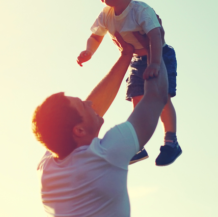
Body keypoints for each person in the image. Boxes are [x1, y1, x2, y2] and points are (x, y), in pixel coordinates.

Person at [32, 32, 168, 216]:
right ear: (78, 130)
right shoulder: (105, 154)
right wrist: (154, 47)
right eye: (83, 104)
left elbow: (87, 112)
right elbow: (156, 96)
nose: (90, 104)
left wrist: (126, 56)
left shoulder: (48, 168)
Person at [76, 0, 181, 166]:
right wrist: (88, 51)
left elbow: (155, 36)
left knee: (161, 98)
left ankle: (171, 141)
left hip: (160, 54)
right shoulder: (106, 15)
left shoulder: (140, 10)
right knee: (137, 99)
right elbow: (96, 36)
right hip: (137, 59)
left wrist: (155, 63)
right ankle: (137, 145)